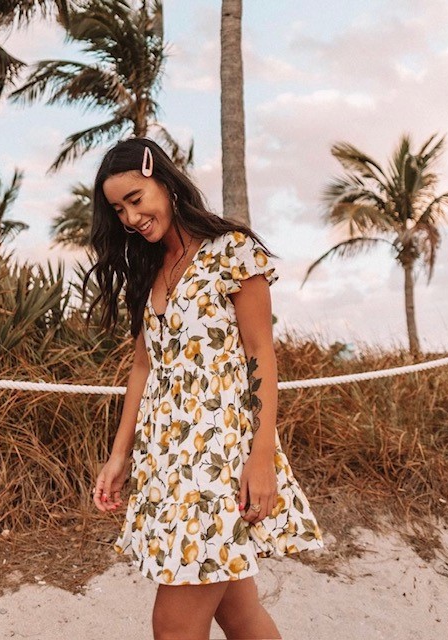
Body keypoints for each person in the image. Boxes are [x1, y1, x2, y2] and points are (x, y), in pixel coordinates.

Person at [87, 137, 324, 640]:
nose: (130, 217)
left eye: (136, 198)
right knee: (240, 615)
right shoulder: (148, 269)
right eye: (118, 208)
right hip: (167, 460)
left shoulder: (233, 252)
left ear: (166, 184)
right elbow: (142, 367)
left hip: (217, 460)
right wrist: (119, 454)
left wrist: (261, 459)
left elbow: (261, 354)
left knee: (173, 628)